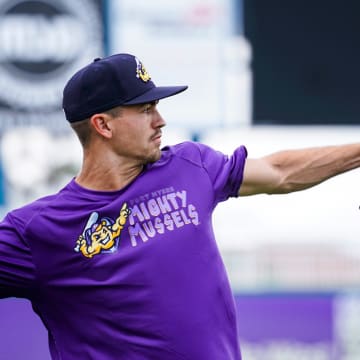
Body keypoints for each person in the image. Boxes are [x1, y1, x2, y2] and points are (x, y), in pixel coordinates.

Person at [0, 53, 359, 360]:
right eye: (145, 109)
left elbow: (280, 173)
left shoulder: (189, 167)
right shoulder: (38, 230)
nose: (160, 120)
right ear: (103, 125)